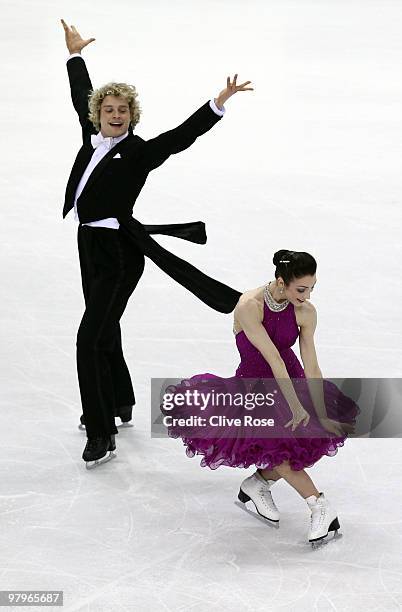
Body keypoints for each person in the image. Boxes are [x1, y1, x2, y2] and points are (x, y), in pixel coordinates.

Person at [60, 19, 252, 468]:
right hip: (89, 246)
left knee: (89, 338)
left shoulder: (141, 152)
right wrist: (74, 55)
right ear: (98, 112)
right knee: (105, 325)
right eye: (108, 107)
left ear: (131, 115)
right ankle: (122, 401)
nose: (115, 113)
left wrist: (216, 105)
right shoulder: (90, 140)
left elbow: (180, 138)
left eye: (123, 109)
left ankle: (101, 430)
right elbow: (79, 94)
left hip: (120, 255)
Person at [161, 250, 359, 545]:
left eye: (312, 288)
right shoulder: (248, 306)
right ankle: (320, 506)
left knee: (287, 449)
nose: (306, 296)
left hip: (292, 381)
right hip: (256, 388)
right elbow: (273, 361)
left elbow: (311, 364)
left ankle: (258, 483)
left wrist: (317, 405)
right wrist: (294, 408)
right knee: (279, 449)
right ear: (281, 282)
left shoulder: (305, 311)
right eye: (300, 289)